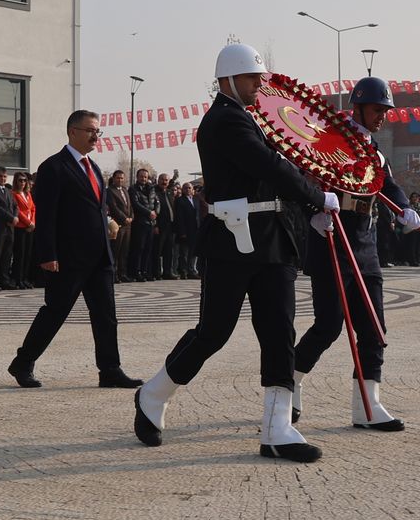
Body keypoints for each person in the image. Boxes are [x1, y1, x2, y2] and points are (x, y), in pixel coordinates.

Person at [133, 43, 338, 463]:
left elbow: (277, 175)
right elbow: (269, 167)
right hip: (232, 239)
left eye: (260, 77)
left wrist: (310, 210)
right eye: (251, 78)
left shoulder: (250, 118)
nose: (259, 84)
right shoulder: (224, 120)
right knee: (214, 331)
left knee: (279, 331)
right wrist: (318, 196)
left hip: (272, 239)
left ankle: (277, 428)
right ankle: (153, 393)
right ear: (227, 80)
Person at [293, 74, 415, 432]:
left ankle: (367, 405)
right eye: (377, 110)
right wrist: (312, 213)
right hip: (331, 239)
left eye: (385, 112)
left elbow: (387, 184)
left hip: (364, 243)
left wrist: (405, 208)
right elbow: (302, 182)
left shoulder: (374, 150)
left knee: (374, 328)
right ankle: (291, 381)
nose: (382, 117)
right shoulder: (328, 141)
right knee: (328, 327)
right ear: (357, 108)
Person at [7, 111, 140, 389]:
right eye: (90, 130)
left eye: (98, 131)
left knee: (106, 314)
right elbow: (46, 215)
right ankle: (23, 362)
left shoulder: (94, 168)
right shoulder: (53, 167)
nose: (95, 136)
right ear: (72, 132)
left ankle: (110, 369)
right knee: (55, 312)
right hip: (68, 257)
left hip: (100, 256)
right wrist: (48, 254)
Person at [128, 168, 159, 281]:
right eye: (141, 176)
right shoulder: (133, 189)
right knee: (139, 248)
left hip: (151, 222)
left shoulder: (151, 188)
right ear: (137, 177)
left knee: (148, 248)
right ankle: (136, 272)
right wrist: (149, 212)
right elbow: (135, 203)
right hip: (140, 222)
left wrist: (155, 212)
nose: (143, 179)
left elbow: (157, 202)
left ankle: (145, 271)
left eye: (145, 177)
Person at [106, 169, 134, 282]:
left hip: (128, 225)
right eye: (118, 178)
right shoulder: (109, 191)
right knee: (115, 251)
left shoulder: (125, 190)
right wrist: (124, 218)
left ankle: (122, 274)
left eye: (122, 178)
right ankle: (114, 275)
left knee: (124, 251)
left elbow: (130, 206)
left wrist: (131, 217)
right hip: (118, 225)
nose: (120, 180)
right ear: (113, 178)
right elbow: (114, 207)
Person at [11, 173, 36, 289]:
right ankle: (18, 279)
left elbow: (33, 208)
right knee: (20, 254)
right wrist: (28, 223)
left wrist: (33, 222)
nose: (22, 183)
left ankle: (25, 278)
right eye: (20, 180)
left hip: (30, 227)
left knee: (28, 254)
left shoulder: (28, 194)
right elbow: (19, 212)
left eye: (24, 180)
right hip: (21, 227)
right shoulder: (14, 194)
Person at [173, 181, 200, 279]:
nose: (188, 190)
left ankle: (191, 270)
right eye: (185, 188)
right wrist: (182, 232)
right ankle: (183, 271)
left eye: (189, 188)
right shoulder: (180, 201)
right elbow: (179, 217)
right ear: (182, 190)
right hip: (185, 230)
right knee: (184, 252)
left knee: (193, 252)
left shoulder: (195, 200)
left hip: (195, 230)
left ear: (192, 190)